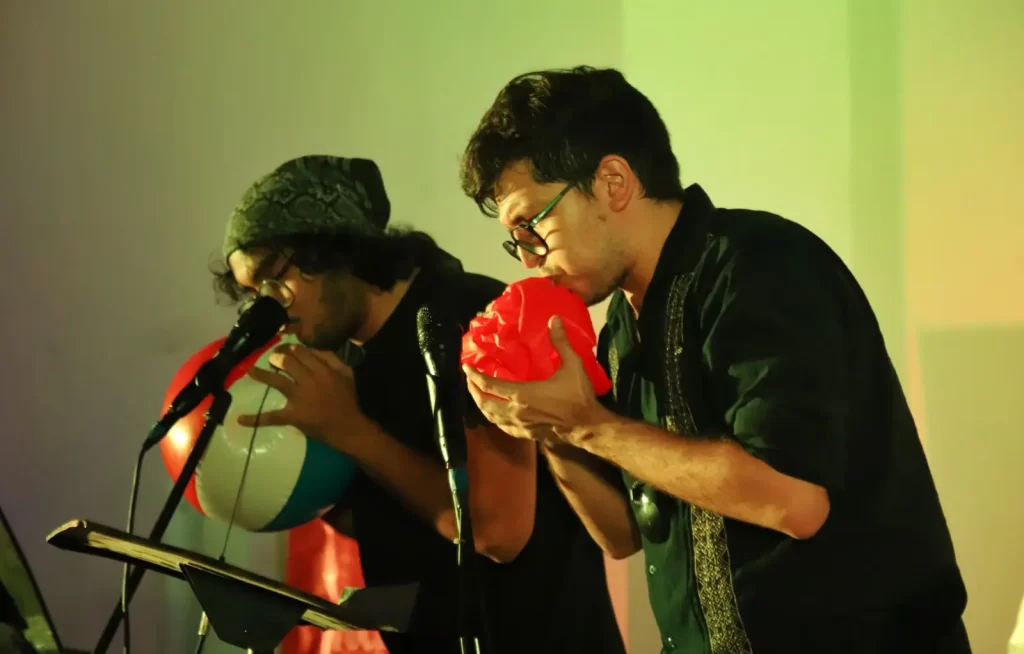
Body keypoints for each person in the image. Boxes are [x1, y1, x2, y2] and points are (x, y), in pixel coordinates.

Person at [458, 66, 971, 653]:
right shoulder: (622, 324)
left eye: (532, 224)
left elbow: (794, 500)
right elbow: (623, 534)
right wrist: (550, 430)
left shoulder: (760, 264)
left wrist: (586, 424)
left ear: (613, 182)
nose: (528, 258)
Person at [212, 154, 625, 654]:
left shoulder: (468, 317)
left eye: (273, 280)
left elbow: (497, 531)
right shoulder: (346, 361)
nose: (269, 309)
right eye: (251, 294)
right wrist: (309, 483)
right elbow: (391, 518)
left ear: (332, 249)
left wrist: (350, 431)